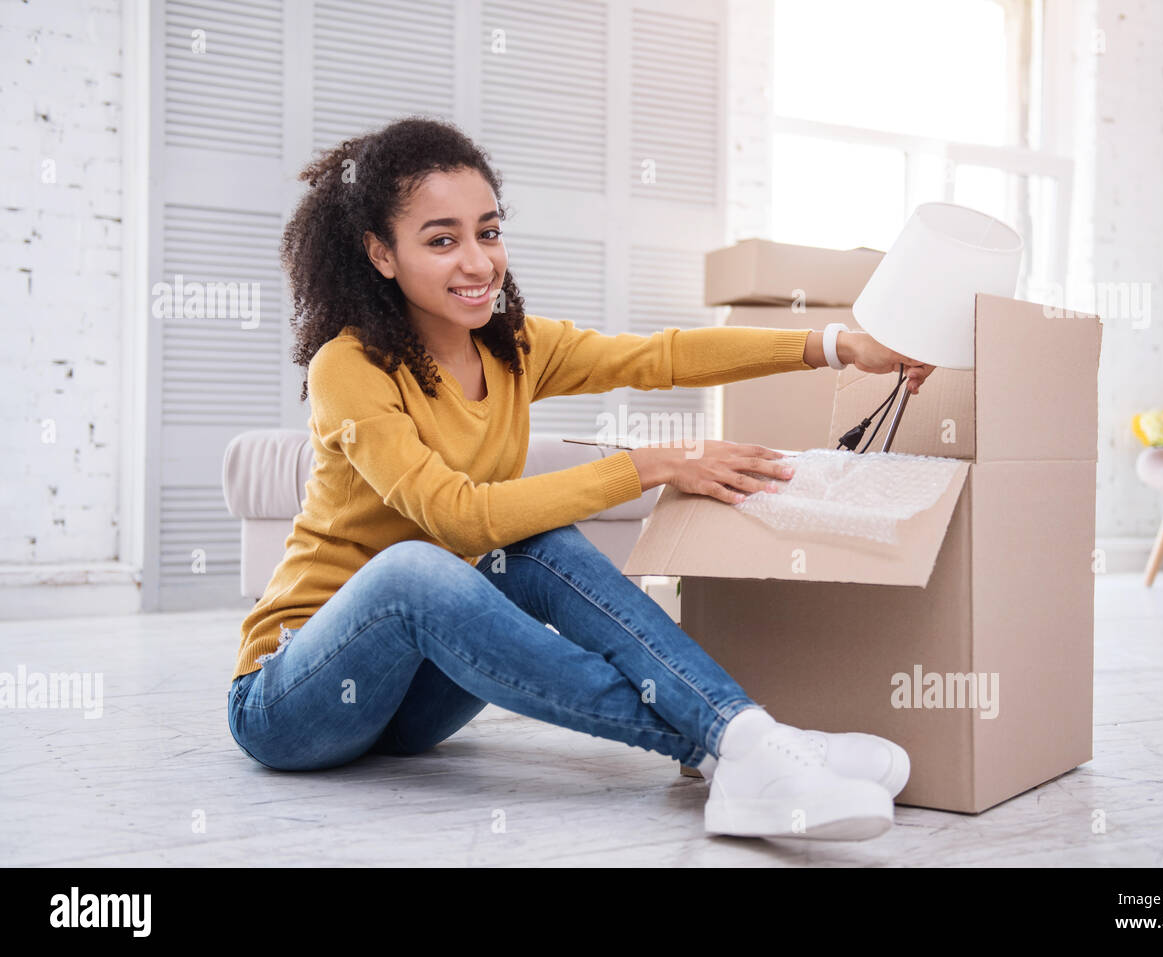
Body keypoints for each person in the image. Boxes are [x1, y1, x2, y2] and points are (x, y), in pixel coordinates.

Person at [227, 116, 935, 842]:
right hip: (291, 701)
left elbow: (662, 356)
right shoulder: (350, 366)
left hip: (408, 711)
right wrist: (654, 464)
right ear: (382, 254)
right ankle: (730, 743)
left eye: (488, 231)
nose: (476, 262)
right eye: (442, 240)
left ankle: (744, 733)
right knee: (415, 570)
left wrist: (839, 344)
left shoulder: (512, 350)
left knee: (537, 544)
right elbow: (458, 518)